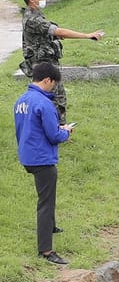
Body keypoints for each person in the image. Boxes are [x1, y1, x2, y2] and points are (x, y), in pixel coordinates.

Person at [15, 62, 75, 265]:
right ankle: (46, 251)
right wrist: (66, 131)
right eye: (53, 84)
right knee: (46, 203)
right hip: (42, 158)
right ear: (47, 80)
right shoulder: (44, 103)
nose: (53, 88)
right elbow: (54, 135)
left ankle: (51, 227)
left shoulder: (21, 100)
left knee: (46, 195)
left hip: (27, 155)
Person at [19, 0, 105, 124]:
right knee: (57, 97)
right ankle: (58, 130)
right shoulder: (32, 19)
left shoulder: (35, 15)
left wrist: (55, 37)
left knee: (52, 97)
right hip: (44, 66)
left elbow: (45, 36)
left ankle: (53, 129)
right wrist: (88, 35)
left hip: (46, 63)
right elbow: (58, 31)